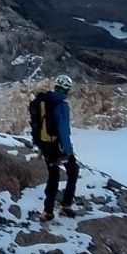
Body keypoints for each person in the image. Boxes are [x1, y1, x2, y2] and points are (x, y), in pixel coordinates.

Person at [38, 74, 79, 221]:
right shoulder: (61, 105)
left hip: (47, 146)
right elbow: (63, 129)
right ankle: (65, 205)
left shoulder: (44, 101)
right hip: (59, 148)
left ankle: (47, 211)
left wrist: (40, 146)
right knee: (73, 171)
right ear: (66, 90)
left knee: (53, 176)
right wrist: (68, 151)